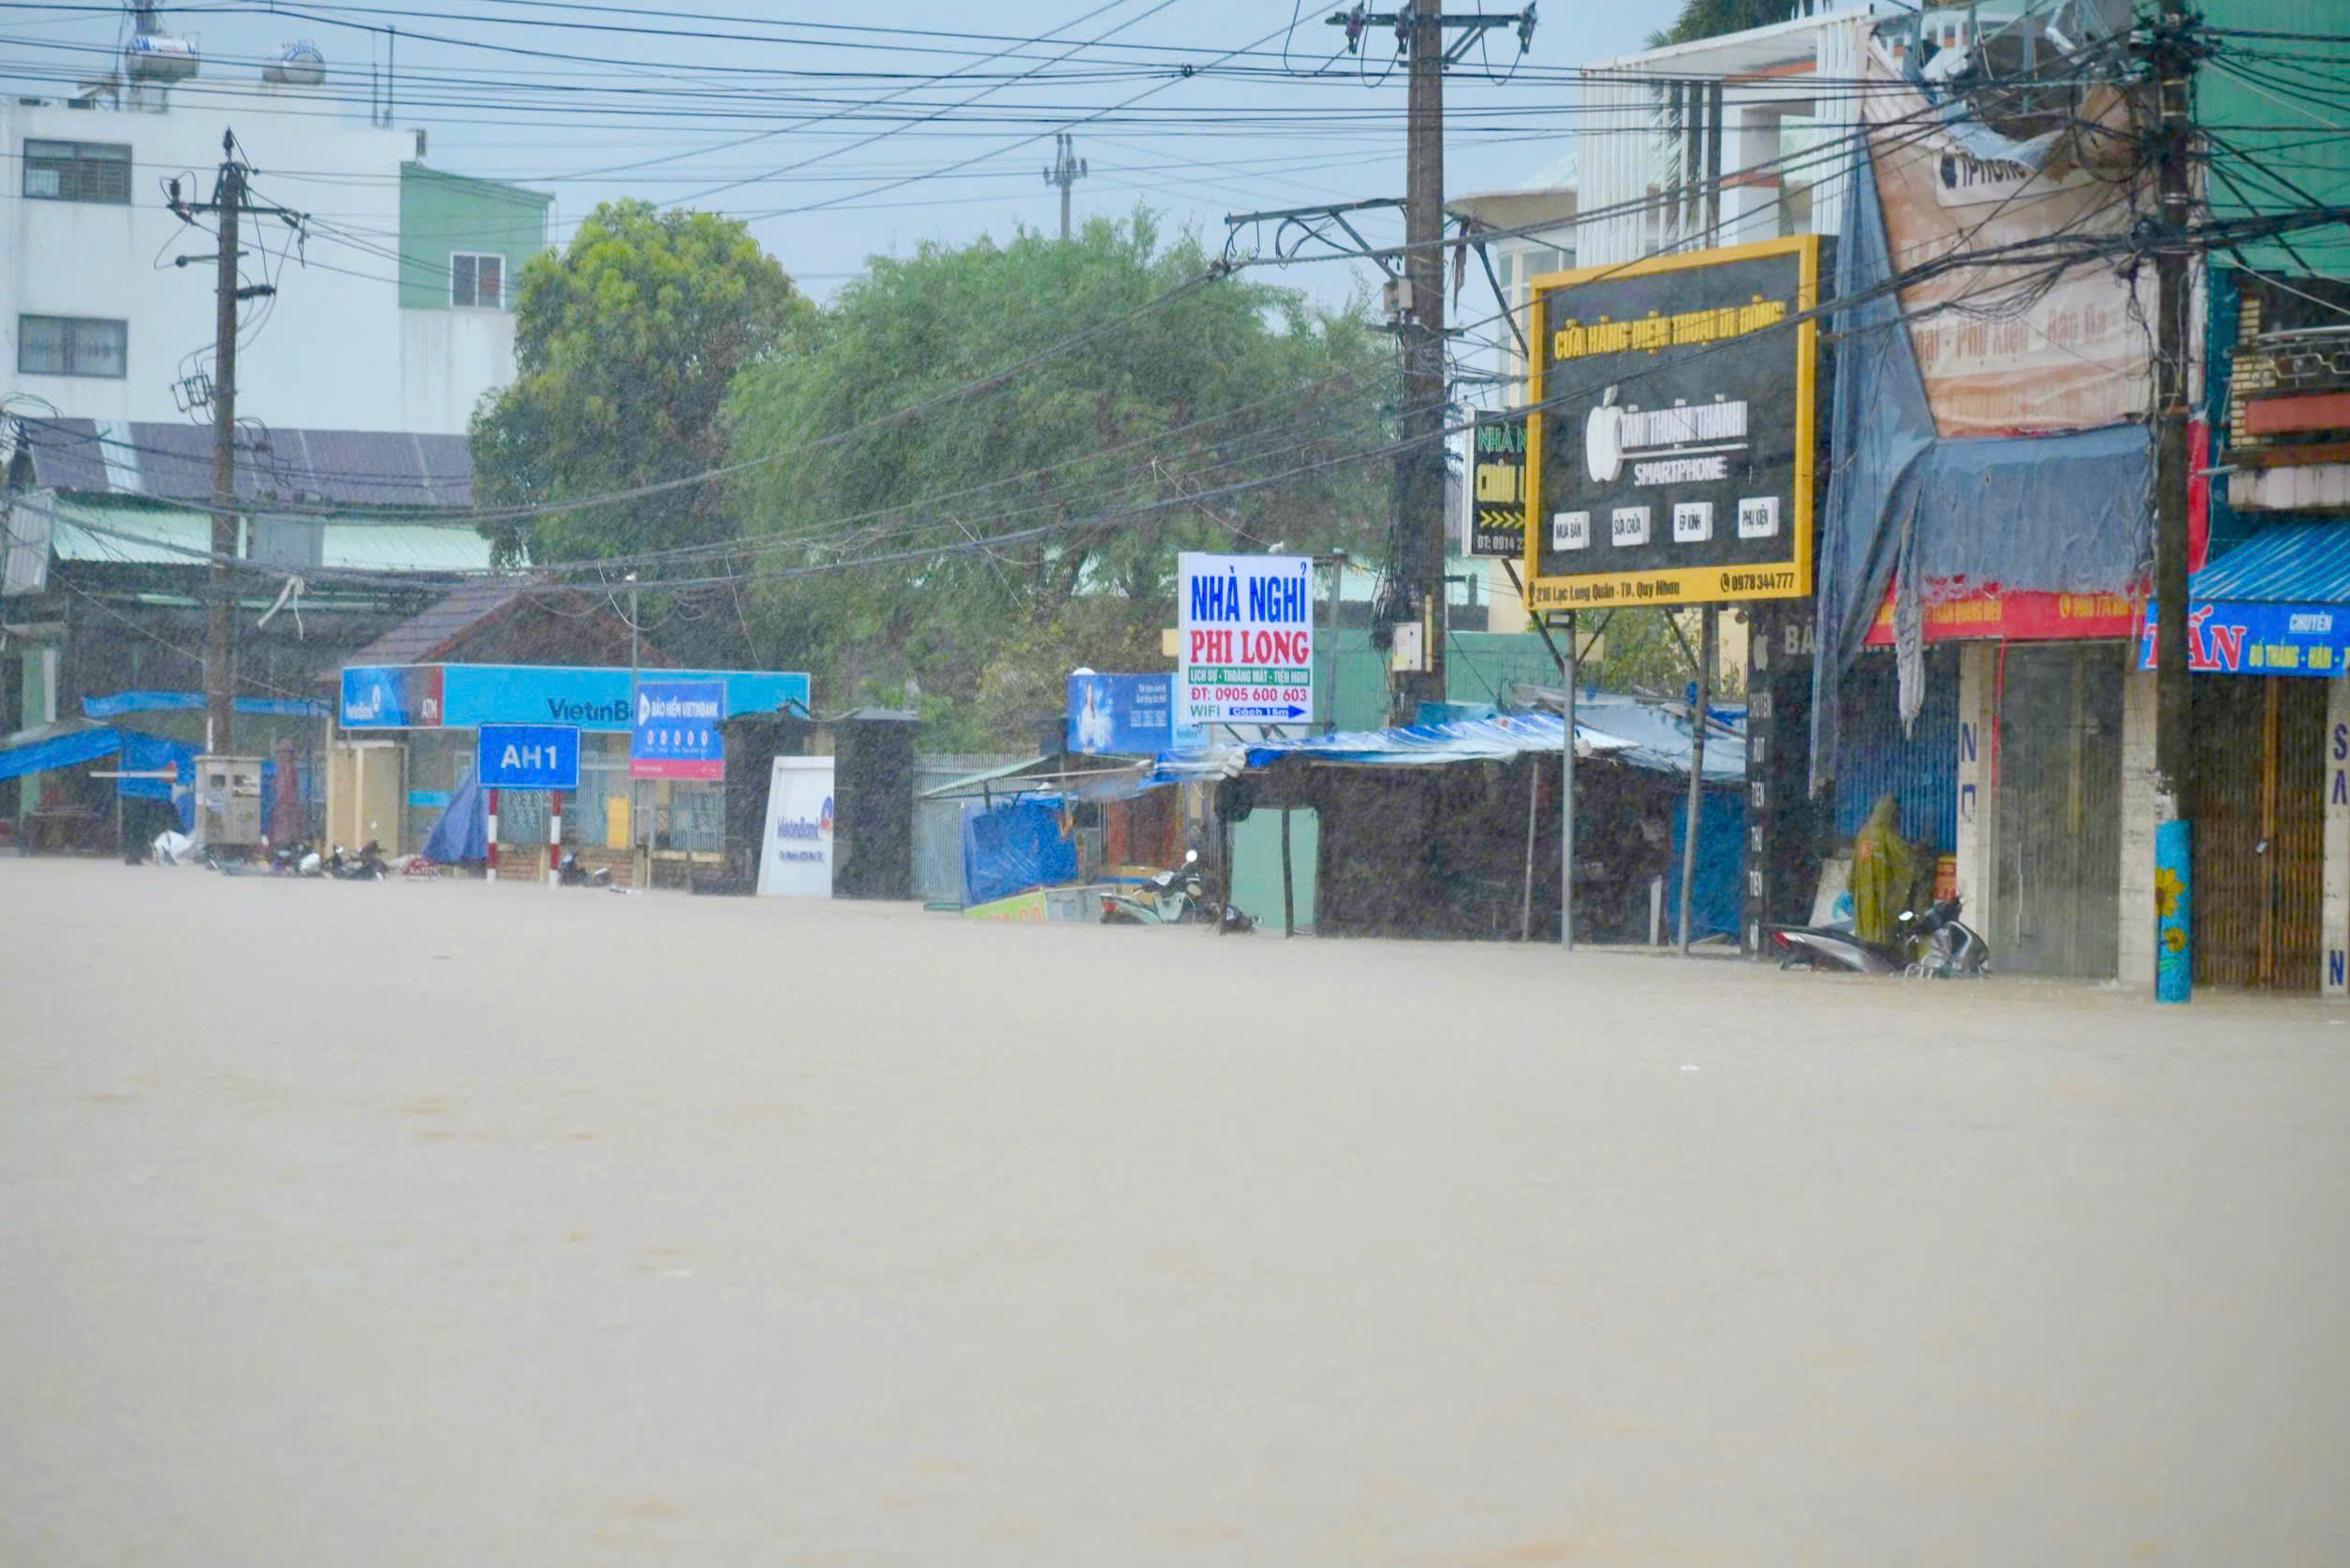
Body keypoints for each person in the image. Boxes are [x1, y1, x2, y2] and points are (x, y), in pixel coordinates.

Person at [1851, 792, 1914, 946]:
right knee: (1880, 922)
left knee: (1866, 921)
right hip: (1881, 889)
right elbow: (1905, 858)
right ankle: (1879, 951)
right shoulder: (1886, 834)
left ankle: (1865, 946)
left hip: (1863, 890)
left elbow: (1854, 863)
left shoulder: (1863, 832)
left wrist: (1852, 884)